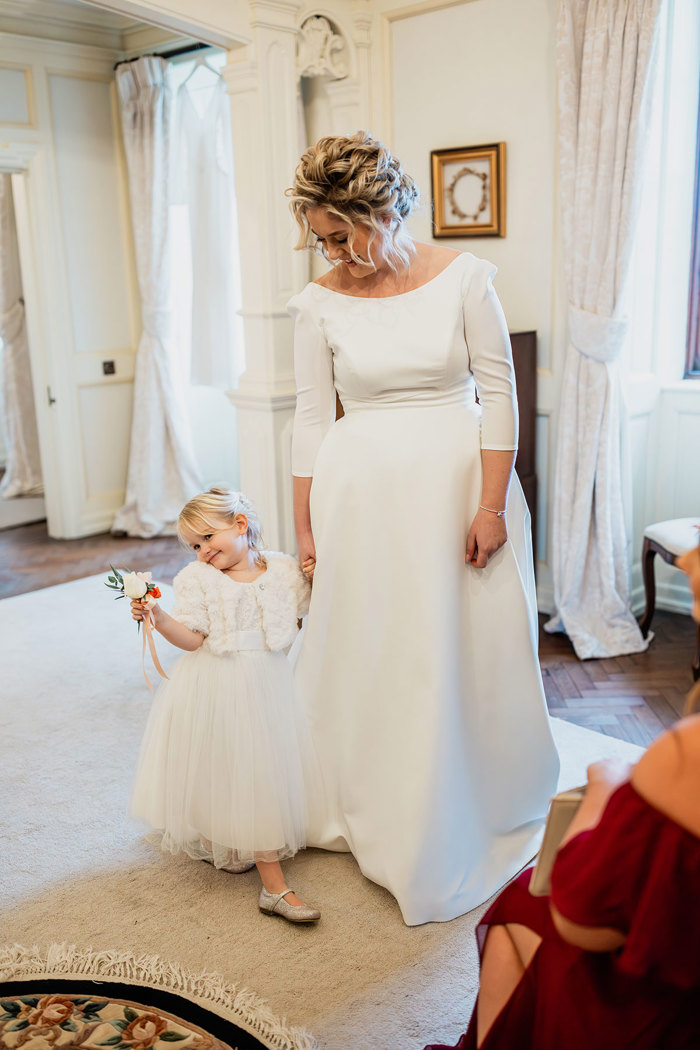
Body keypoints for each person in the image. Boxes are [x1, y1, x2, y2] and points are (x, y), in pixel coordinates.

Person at [285, 131, 560, 926]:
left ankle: (470, 796)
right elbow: (310, 418)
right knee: (373, 647)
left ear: (382, 210)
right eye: (320, 237)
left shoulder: (466, 280)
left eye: (341, 233)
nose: (332, 250)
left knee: (455, 646)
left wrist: (490, 504)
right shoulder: (318, 301)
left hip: (454, 494)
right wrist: (303, 525)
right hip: (359, 496)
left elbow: (499, 395)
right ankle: (363, 797)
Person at [425, 538, 700, 1048]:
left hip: (671, 1018)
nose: (686, 563)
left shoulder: (686, 755)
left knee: (521, 900)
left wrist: (607, 789)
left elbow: (584, 921)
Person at [128, 488, 321, 924]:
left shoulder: (284, 569)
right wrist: (158, 618)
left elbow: (306, 613)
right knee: (238, 768)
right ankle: (274, 887)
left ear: (240, 525)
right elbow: (193, 639)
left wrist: (316, 574)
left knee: (261, 770)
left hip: (269, 683)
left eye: (207, 537)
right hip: (218, 683)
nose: (201, 550)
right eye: (194, 545)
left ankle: (245, 841)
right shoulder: (197, 579)